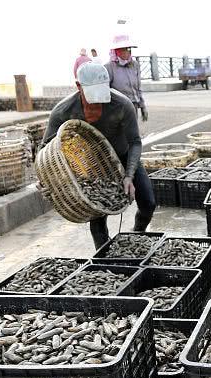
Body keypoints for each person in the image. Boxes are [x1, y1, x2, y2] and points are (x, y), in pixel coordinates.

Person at [42, 62, 155, 250]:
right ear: (79, 86)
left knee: (148, 203)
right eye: (92, 98)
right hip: (92, 165)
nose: (97, 104)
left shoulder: (121, 105)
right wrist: (46, 181)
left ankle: (138, 236)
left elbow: (135, 142)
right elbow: (45, 148)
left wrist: (129, 176)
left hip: (124, 155)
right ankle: (103, 255)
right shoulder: (64, 111)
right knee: (97, 216)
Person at [105, 35, 147, 122]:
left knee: (133, 128)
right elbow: (106, 90)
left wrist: (143, 106)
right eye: (122, 49)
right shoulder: (109, 67)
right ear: (116, 51)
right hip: (118, 107)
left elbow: (138, 87)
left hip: (133, 105)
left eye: (128, 49)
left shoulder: (134, 65)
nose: (126, 52)